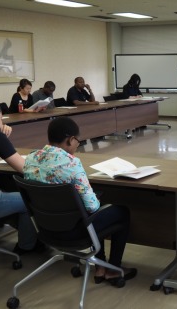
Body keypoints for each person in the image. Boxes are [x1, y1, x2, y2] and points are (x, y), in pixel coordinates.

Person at [23, 117, 137, 285]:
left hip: (45, 229)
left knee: (88, 210)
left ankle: (100, 267)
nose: (78, 144)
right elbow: (92, 206)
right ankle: (113, 268)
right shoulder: (72, 163)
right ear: (70, 139)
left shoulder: (31, 159)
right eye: (78, 140)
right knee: (119, 211)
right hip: (73, 232)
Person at [0, 97, 42, 254]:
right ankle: (27, 246)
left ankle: (30, 236)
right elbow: (25, 169)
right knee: (28, 199)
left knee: (5, 191)